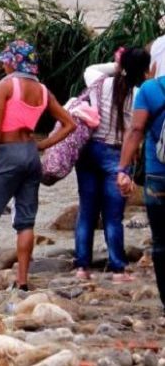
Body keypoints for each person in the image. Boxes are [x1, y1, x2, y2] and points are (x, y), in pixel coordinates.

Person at [0, 41, 74, 293]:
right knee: (25, 221)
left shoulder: (7, 86)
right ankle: (22, 281)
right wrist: (43, 145)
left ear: (14, 62)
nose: (2, 64)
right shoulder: (43, 91)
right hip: (30, 156)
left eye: (5, 60)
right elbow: (69, 124)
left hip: (7, 153)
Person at [74, 48, 150, 282]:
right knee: (113, 216)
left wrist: (119, 64)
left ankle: (82, 268)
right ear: (144, 70)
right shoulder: (139, 94)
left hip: (89, 149)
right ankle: (117, 268)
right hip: (116, 154)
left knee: (86, 212)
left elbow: (91, 68)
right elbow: (135, 131)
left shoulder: (100, 81)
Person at [117, 56, 165, 316]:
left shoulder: (150, 90)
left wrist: (123, 170)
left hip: (158, 175)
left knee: (160, 241)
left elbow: (135, 130)